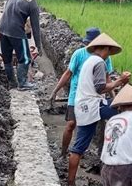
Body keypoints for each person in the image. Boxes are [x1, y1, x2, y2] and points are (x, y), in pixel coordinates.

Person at [68, 33, 131, 186]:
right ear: (107, 49)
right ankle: (122, 151)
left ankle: (70, 183)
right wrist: (120, 81)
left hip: (83, 107)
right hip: (93, 106)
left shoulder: (90, 61)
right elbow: (100, 88)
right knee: (126, 111)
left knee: (79, 147)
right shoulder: (99, 63)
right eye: (109, 51)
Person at [49, 27, 114, 156]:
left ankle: (89, 152)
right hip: (76, 94)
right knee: (71, 124)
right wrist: (55, 90)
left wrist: (114, 97)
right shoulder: (79, 54)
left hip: (95, 98)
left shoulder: (105, 58)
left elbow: (107, 78)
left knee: (96, 128)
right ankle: (63, 152)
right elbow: (68, 73)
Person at [0, 0, 49, 91]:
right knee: (25, 58)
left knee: (7, 58)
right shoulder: (32, 4)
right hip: (16, 31)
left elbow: (8, 10)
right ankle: (23, 83)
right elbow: (35, 27)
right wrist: (39, 46)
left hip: (2, 28)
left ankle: (12, 83)